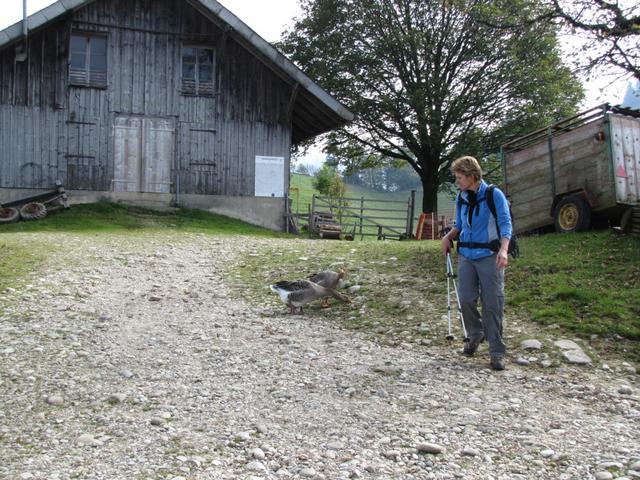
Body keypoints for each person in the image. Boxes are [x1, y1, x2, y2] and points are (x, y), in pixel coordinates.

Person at [441, 156, 512, 371]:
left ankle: (496, 352)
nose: (457, 182)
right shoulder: (462, 197)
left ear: (472, 176)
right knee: (465, 299)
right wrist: (448, 237)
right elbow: (460, 225)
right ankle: (475, 334)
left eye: (460, 177)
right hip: (467, 256)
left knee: (492, 303)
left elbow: (505, 223)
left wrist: (504, 250)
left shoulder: (493, 194)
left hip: (490, 256)